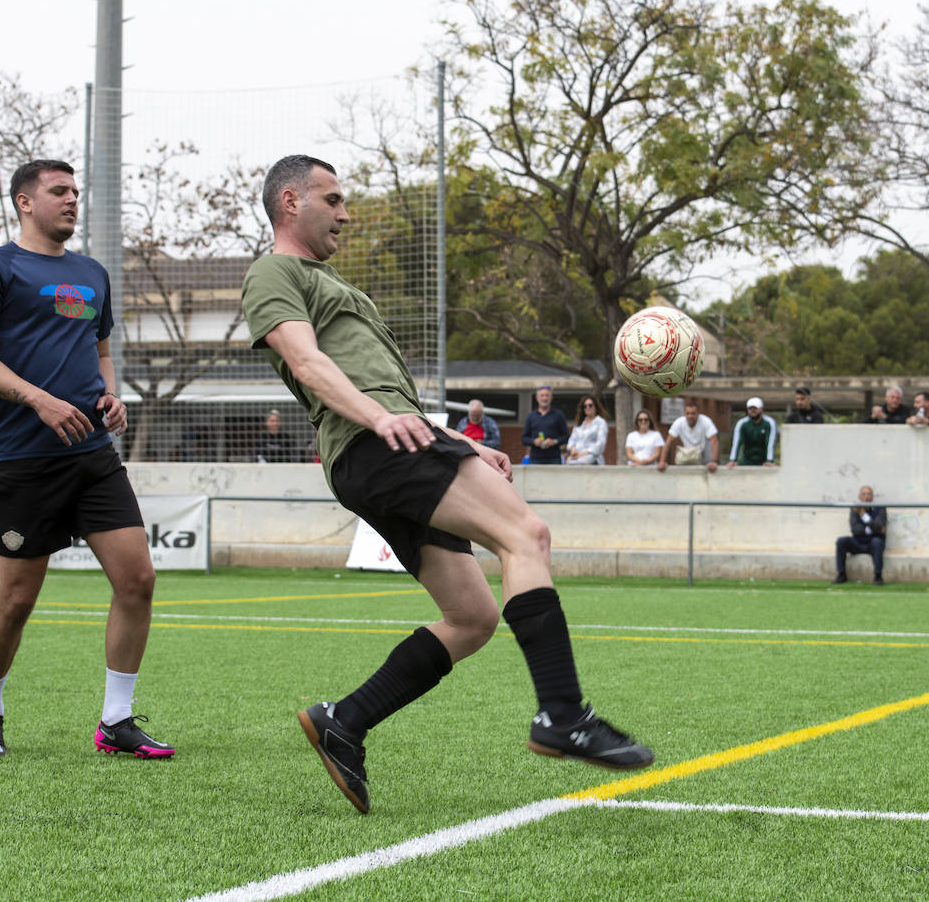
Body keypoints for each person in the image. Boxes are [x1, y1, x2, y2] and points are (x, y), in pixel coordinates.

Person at [240, 155, 652, 814]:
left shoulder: (330, 282)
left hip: (387, 444)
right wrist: (380, 420)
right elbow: (307, 362)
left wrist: (459, 440)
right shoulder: (273, 272)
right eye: (333, 199)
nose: (345, 214)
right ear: (290, 202)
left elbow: (384, 388)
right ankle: (563, 714)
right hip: (375, 444)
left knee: (472, 617)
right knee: (525, 534)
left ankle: (344, 720)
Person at [0, 159, 172, 759]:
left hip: (93, 455)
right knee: (16, 601)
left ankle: (116, 721)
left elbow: (99, 352)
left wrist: (111, 394)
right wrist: (41, 400)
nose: (73, 199)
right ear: (25, 202)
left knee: (138, 580)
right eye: (59, 191)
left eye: (75, 190)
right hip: (22, 458)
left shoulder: (91, 273)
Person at [832, 485, 887, 585]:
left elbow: (880, 528)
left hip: (873, 543)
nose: (867, 497)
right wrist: (872, 528)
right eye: (864, 494)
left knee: (877, 542)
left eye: (869, 494)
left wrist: (863, 515)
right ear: (859, 497)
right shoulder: (855, 509)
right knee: (841, 541)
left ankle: (878, 576)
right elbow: (855, 530)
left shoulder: (880, 509)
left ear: (872, 496)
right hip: (858, 542)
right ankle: (841, 574)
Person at [657, 401, 719, 472]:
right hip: (688, 458)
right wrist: (662, 461)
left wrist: (714, 461)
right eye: (688, 413)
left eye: (693, 413)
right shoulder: (679, 422)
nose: (690, 416)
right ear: (684, 414)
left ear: (698, 414)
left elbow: (714, 440)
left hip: (706, 460)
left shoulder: (706, 421)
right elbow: (668, 441)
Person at [521, 385, 569, 464]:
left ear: (551, 398)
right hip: (535, 459)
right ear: (537, 398)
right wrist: (534, 441)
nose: (544, 398)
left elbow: (566, 436)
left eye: (547, 395)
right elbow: (524, 439)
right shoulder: (531, 416)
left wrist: (554, 441)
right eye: (542, 395)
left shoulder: (558, 415)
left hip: (554, 458)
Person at [728, 397, 778, 467]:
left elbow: (770, 443)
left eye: (755, 408)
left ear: (761, 409)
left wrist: (769, 460)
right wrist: (733, 460)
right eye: (750, 408)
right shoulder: (742, 423)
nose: (752, 411)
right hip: (746, 461)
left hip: (763, 462)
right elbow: (736, 442)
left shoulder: (769, 423)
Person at [563, 394, 609, 465]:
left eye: (590, 405)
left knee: (584, 461)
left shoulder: (601, 423)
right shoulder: (580, 424)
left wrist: (583, 453)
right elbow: (571, 440)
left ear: (596, 407)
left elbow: (600, 445)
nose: (587, 408)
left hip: (592, 460)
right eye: (585, 406)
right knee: (568, 461)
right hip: (575, 458)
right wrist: (573, 449)